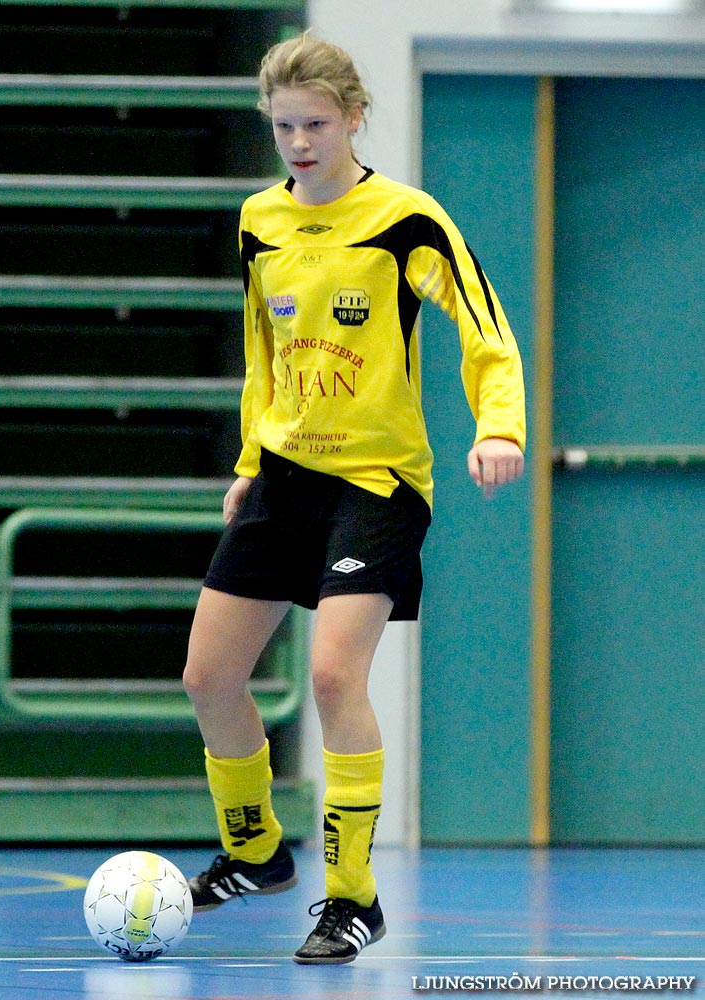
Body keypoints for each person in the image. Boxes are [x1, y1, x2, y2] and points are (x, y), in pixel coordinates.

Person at [181, 32, 526, 964]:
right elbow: (263, 353)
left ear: (353, 118)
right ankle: (255, 853)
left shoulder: (406, 219)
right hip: (283, 476)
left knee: (334, 676)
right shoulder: (258, 219)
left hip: (375, 484)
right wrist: (250, 459)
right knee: (209, 677)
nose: (297, 142)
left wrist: (499, 426)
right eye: (283, 126)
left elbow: (485, 330)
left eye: (314, 124)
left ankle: (353, 897)